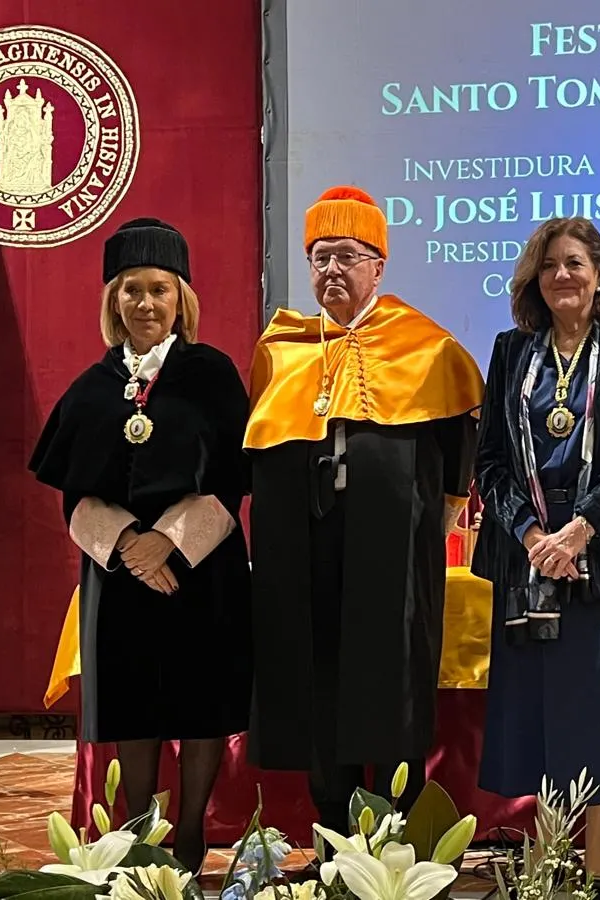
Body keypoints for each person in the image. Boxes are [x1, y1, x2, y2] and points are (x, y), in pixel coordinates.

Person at [244, 186, 484, 832]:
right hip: (308, 542)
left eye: (347, 257)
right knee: (319, 684)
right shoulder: (284, 347)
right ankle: (334, 830)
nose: (331, 271)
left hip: (395, 546)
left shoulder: (425, 347)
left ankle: (397, 835)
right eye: (320, 257)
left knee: (395, 683)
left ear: (378, 266)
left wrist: (440, 517)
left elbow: (459, 438)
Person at [28, 218, 251, 872]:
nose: (146, 304)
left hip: (200, 573)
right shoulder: (92, 386)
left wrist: (169, 543)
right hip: (120, 576)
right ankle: (139, 832)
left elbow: (234, 477)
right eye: (131, 290)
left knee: (201, 702)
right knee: (134, 702)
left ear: (181, 298)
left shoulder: (210, 373)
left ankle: (189, 833)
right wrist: (129, 543)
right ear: (112, 301)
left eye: (159, 289)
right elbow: (72, 491)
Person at [471, 217, 600, 900]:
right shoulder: (511, 351)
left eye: (576, 263)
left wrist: (578, 533)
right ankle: (552, 845)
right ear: (534, 278)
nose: (563, 276)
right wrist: (531, 535)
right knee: (544, 709)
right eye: (549, 265)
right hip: (530, 564)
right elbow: (489, 459)